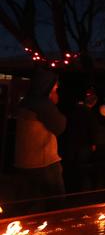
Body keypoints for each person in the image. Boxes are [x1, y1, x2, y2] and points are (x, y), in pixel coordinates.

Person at [14, 67, 66, 201]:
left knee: (24, 204)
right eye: (54, 89)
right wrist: (53, 103)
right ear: (47, 87)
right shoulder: (42, 104)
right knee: (56, 205)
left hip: (23, 161)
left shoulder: (26, 102)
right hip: (44, 162)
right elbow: (60, 126)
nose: (56, 92)